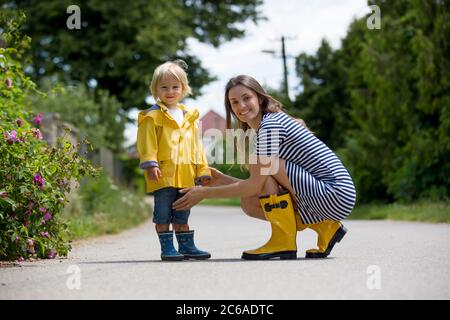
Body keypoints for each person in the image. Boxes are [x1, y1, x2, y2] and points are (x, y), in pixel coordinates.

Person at [173, 74, 356, 260]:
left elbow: (255, 184)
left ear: (260, 98)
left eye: (246, 98)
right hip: (332, 195)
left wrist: (203, 193)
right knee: (250, 202)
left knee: (259, 166)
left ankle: (284, 240)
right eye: (234, 102)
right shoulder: (267, 125)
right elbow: (259, 186)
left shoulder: (270, 126)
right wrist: (221, 180)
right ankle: (326, 228)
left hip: (334, 193)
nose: (241, 106)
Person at [137, 60, 212, 261]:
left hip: (187, 176)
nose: (170, 91)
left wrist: (203, 170)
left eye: (175, 87)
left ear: (183, 88)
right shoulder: (152, 116)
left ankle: (187, 247)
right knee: (163, 213)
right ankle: (167, 248)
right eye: (164, 87)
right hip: (163, 175)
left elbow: (197, 146)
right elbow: (147, 143)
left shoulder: (190, 117)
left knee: (182, 213)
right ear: (156, 89)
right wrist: (150, 163)